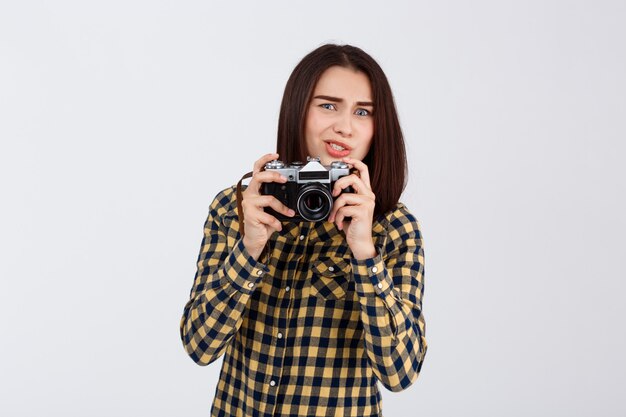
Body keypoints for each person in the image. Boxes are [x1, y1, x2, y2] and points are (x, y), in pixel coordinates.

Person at [180, 44, 427, 417]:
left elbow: (400, 372)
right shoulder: (239, 208)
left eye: (363, 112)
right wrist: (250, 247)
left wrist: (364, 252)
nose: (344, 126)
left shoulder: (394, 227)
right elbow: (200, 346)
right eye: (328, 105)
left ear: (379, 127)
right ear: (299, 110)